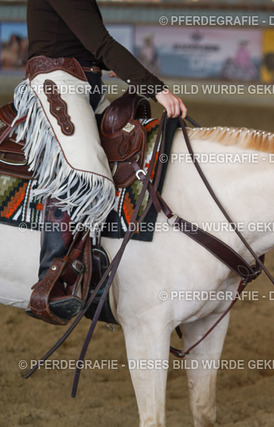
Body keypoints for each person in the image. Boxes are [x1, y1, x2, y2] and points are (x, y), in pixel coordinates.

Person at [12, 0, 187, 323]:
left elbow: (87, 44)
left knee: (136, 146)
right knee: (83, 170)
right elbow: (101, 42)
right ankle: (51, 280)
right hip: (56, 82)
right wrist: (157, 90)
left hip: (87, 85)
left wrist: (105, 64)